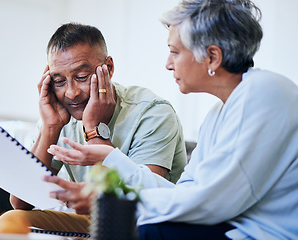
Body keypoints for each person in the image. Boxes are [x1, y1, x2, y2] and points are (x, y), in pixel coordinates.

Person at [44, 1, 298, 239]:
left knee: (147, 230)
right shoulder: (217, 114)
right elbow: (182, 195)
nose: (168, 64)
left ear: (212, 57)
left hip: (259, 234)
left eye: (175, 52)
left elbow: (211, 204)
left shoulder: (263, 93)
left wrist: (108, 202)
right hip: (231, 229)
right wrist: (108, 157)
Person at [0, 23, 187, 234]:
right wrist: (50, 129)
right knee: (12, 221)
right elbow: (20, 202)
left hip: (144, 226)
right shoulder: (59, 113)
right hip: (91, 224)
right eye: (59, 80)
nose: (71, 93)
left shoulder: (153, 113)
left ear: (108, 68)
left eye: (81, 77)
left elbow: (134, 206)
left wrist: (94, 128)